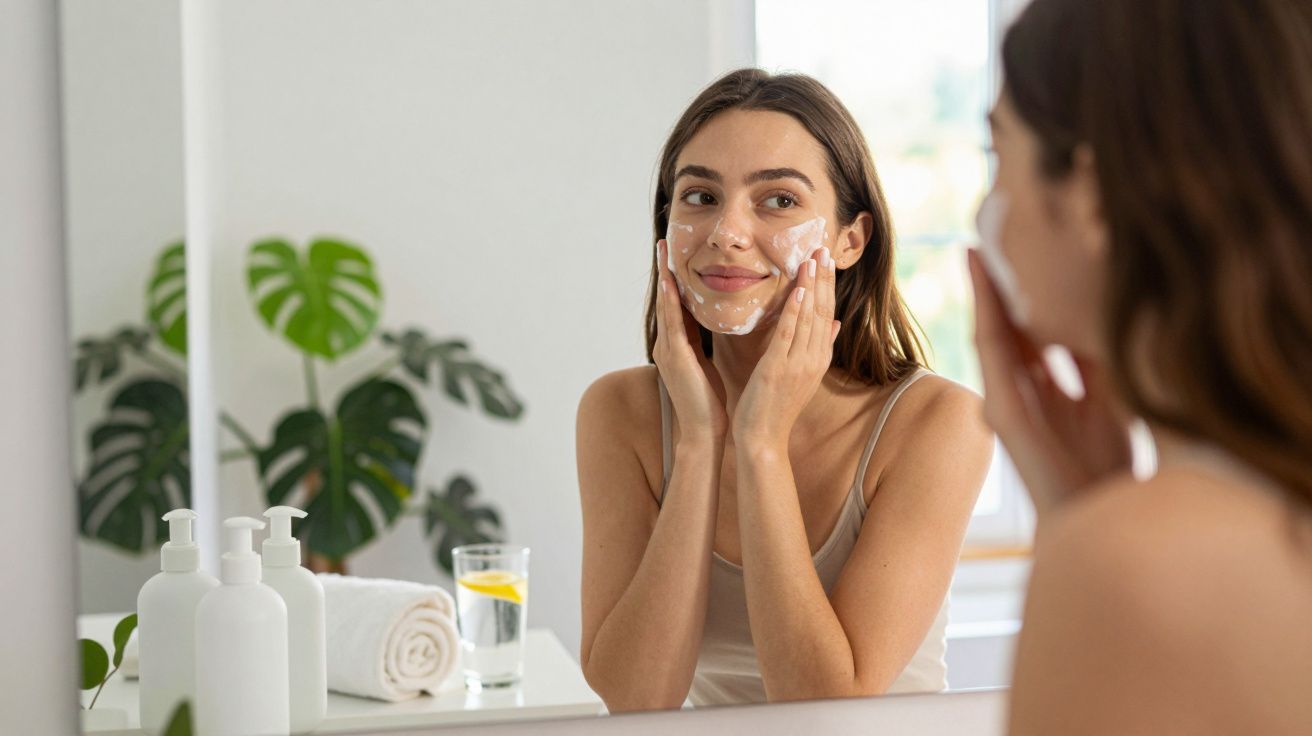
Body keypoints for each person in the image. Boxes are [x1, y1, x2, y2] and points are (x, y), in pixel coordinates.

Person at [577, 68, 993, 711]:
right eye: (699, 197)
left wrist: (760, 440)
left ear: (850, 240)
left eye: (778, 201)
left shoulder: (940, 422)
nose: (725, 233)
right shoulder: (618, 412)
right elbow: (637, 698)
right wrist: (699, 442)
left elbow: (826, 705)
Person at [971, 1, 1312, 733]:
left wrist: (1090, 542)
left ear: (1090, 196)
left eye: (998, 159)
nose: (988, 211)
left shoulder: (1132, 566)